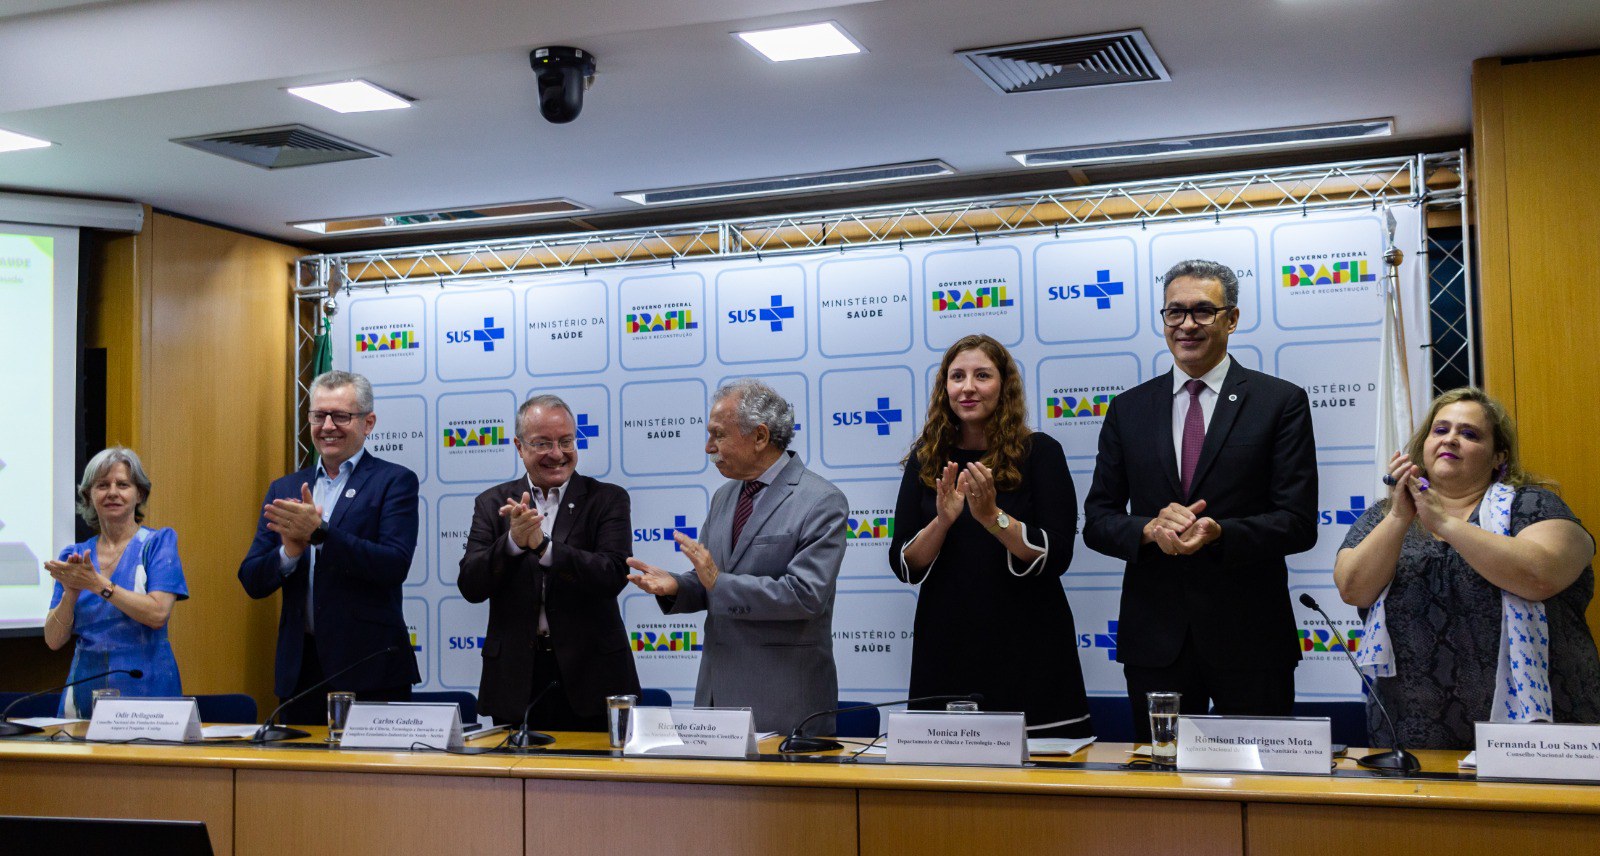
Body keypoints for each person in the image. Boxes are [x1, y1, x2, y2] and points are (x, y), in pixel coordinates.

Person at [1084, 259, 1318, 741]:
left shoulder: (1280, 402)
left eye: (1202, 312)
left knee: (1261, 784)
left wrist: (1221, 533)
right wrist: (1147, 529)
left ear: (1231, 319)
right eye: (1175, 312)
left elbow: (1297, 522)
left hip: (1251, 638)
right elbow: (1098, 520)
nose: (1187, 324)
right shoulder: (1128, 409)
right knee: (1163, 791)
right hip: (1156, 644)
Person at [1334, 387, 1600, 749]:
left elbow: (1541, 576)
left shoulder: (1534, 506)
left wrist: (1445, 523)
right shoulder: (1383, 517)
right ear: (1423, 446)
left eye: (1469, 434)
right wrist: (1400, 516)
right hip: (1415, 738)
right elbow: (1353, 589)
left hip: (1543, 736)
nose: (1451, 439)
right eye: (1440, 430)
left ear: (1498, 457)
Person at [888, 334, 1092, 737]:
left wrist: (992, 518)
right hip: (947, 639)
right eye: (957, 376)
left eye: (982, 375)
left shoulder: (1040, 453)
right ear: (944, 387)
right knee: (947, 778)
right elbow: (904, 563)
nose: (967, 387)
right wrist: (943, 521)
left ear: (1004, 385)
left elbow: (1057, 555)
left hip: (1028, 641)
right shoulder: (927, 457)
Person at [625, 379, 847, 736]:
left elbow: (805, 596)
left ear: (760, 436)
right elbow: (709, 580)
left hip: (785, 703)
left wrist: (716, 582)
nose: (709, 447)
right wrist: (676, 587)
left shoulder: (820, 500)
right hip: (716, 698)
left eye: (718, 435)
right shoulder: (725, 496)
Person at [238, 370, 420, 725]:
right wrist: (289, 552)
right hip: (300, 671)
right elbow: (252, 579)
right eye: (318, 416)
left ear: (368, 423)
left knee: (372, 781)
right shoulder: (285, 488)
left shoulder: (394, 481)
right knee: (300, 780)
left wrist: (320, 534)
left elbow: (393, 565)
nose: (327, 426)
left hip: (370, 670)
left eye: (341, 416)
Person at [457, 394, 640, 730]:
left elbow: (612, 575)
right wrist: (512, 542)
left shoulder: (607, 499)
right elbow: (470, 584)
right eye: (543, 443)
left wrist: (543, 547)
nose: (557, 453)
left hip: (592, 675)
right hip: (516, 679)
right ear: (519, 446)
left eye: (566, 441)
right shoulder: (492, 503)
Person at [44, 447, 187, 717]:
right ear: (89, 497)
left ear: (139, 494)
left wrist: (99, 584)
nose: (112, 492)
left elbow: (157, 614)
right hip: (84, 692)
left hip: (148, 691)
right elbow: (53, 640)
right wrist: (71, 594)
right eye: (102, 485)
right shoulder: (74, 556)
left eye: (122, 484)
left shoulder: (158, 544)